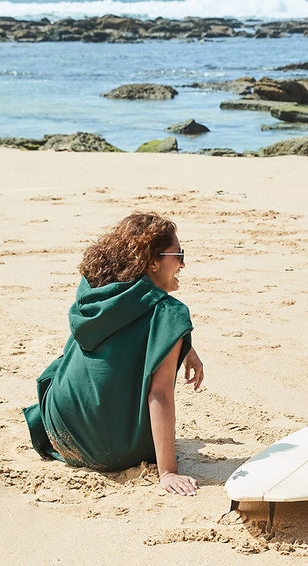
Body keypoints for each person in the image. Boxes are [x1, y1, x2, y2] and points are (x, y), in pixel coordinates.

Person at [23, 212, 204, 495]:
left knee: (64, 362)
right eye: (178, 254)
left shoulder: (94, 289)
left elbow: (131, 319)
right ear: (153, 262)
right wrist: (167, 471)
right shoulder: (170, 313)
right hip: (113, 453)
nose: (183, 263)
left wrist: (184, 344)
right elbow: (160, 394)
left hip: (60, 431)